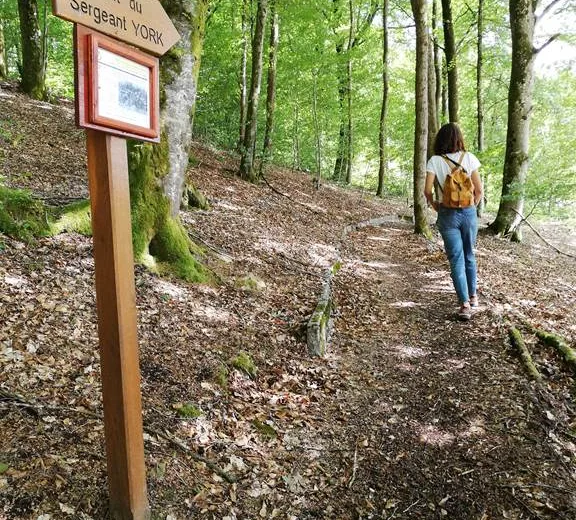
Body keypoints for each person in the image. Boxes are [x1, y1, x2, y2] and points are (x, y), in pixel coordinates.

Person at [424, 123, 483, 321]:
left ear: (440, 139)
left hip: (447, 214)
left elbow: (427, 191)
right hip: (468, 213)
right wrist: (470, 207)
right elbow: (479, 190)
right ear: (459, 138)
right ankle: (474, 296)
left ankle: (464, 304)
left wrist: (435, 206)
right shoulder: (470, 158)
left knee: (455, 258)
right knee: (469, 255)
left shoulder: (434, 161)